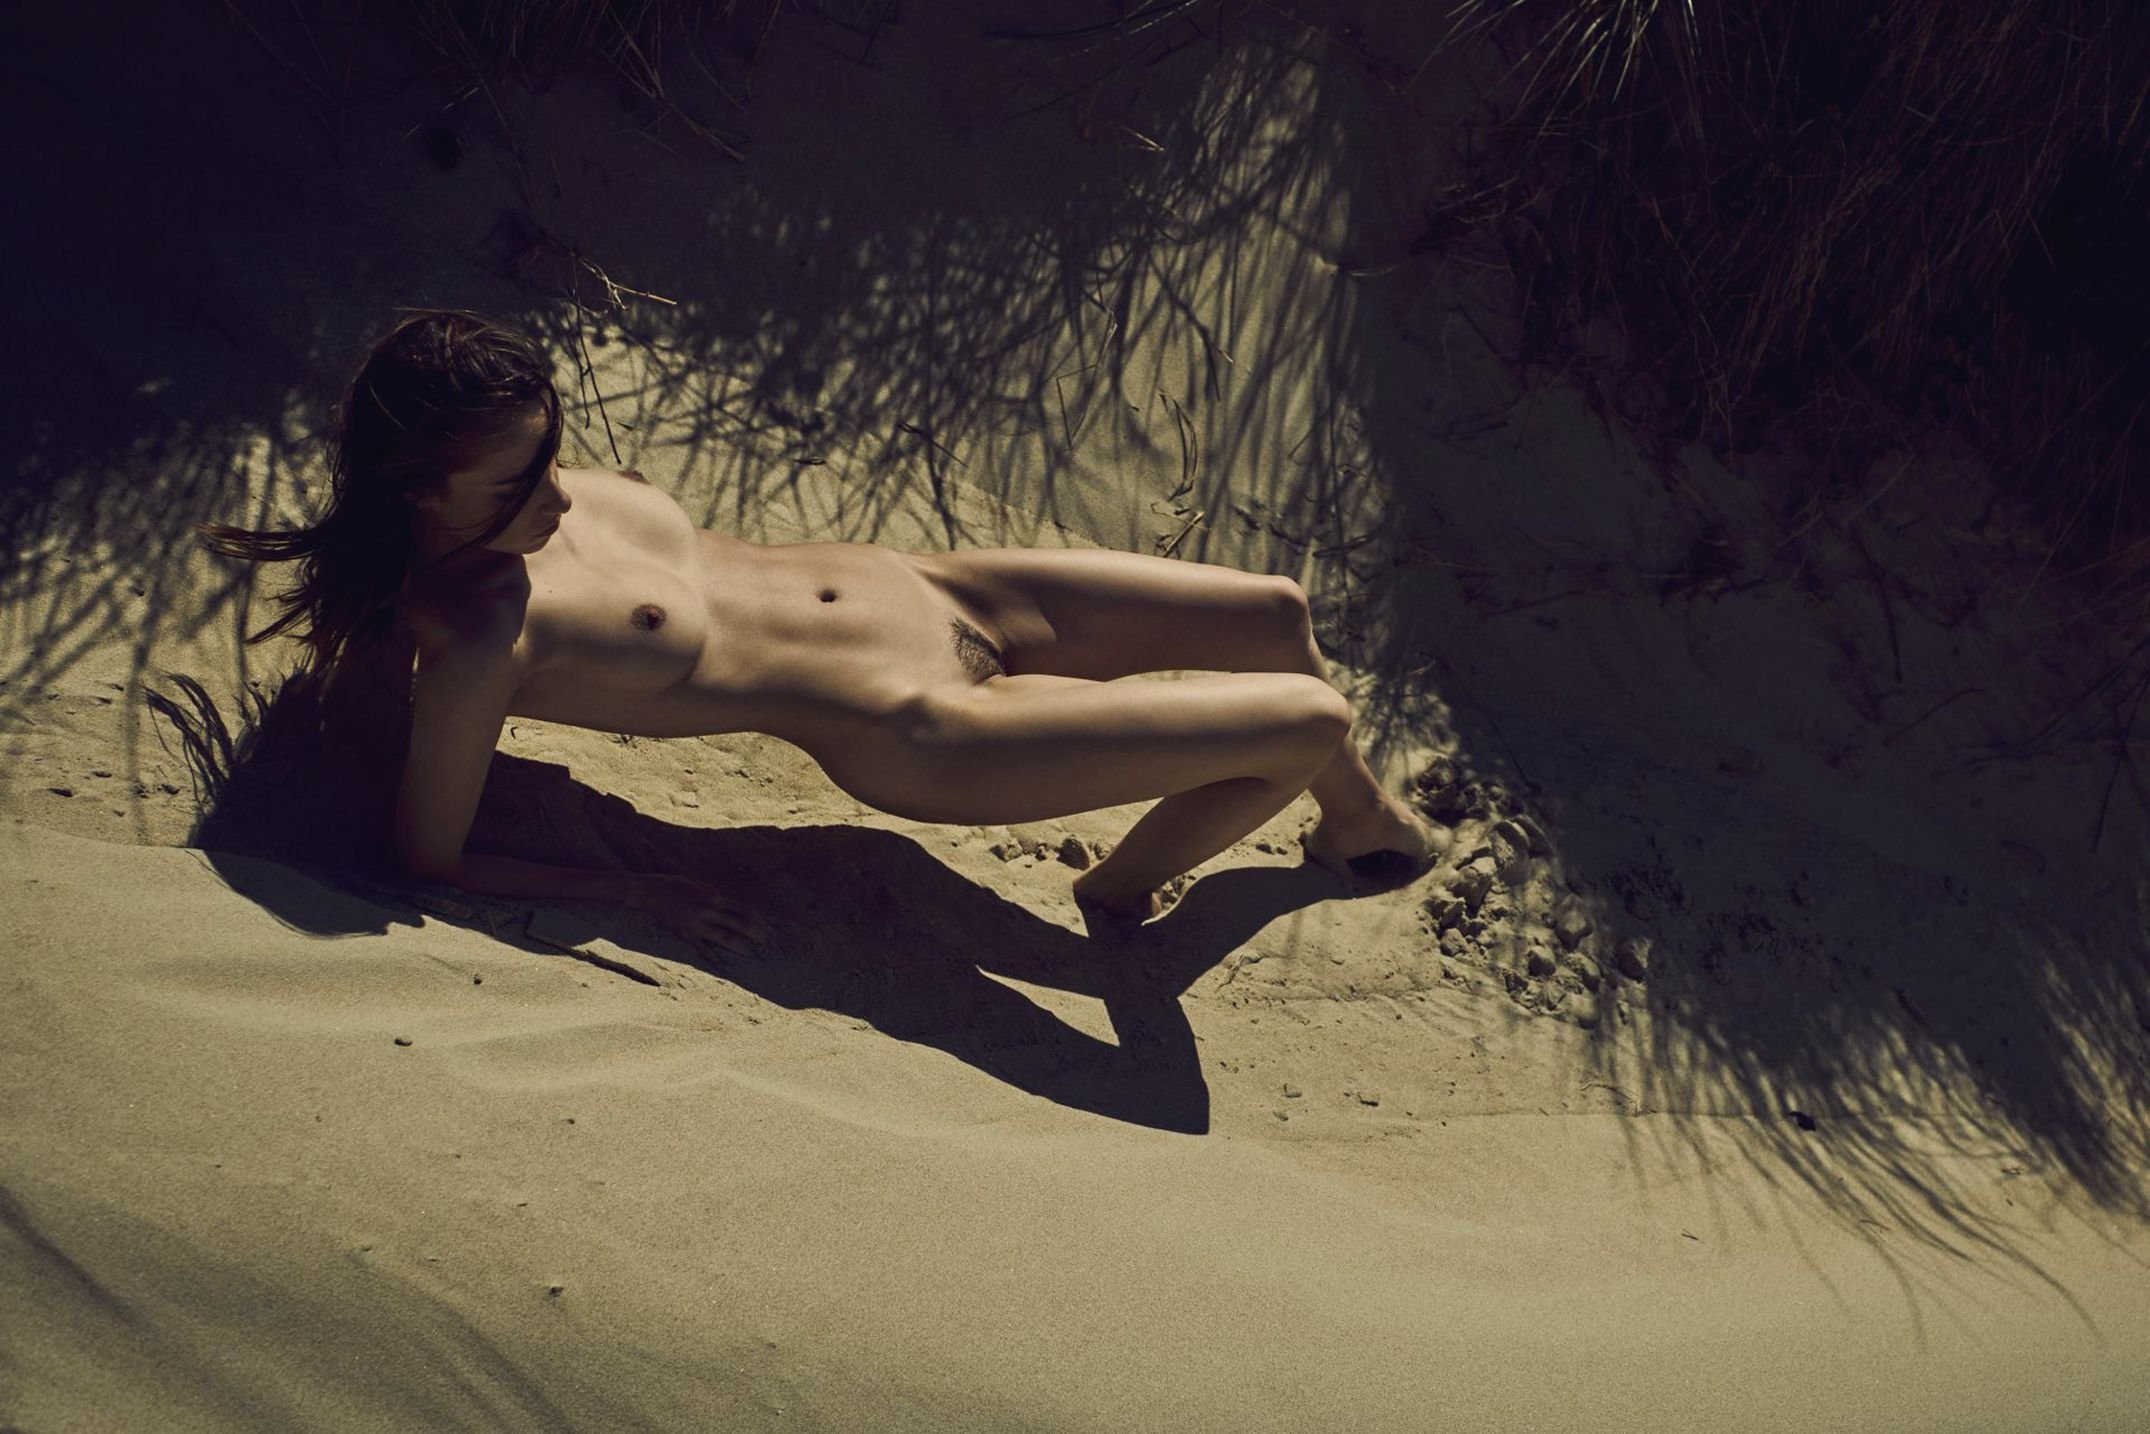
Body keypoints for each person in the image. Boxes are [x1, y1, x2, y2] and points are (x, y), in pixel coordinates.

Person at [202, 310, 1437, 950]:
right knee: (1307, 716)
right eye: (517, 485)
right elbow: (428, 855)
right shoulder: (475, 633)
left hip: (942, 589)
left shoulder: (521, 499)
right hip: (921, 726)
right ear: (420, 491)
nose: (559, 498)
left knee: (1273, 612)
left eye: (551, 457)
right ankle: (1118, 890)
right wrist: (637, 891)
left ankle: (1354, 823)